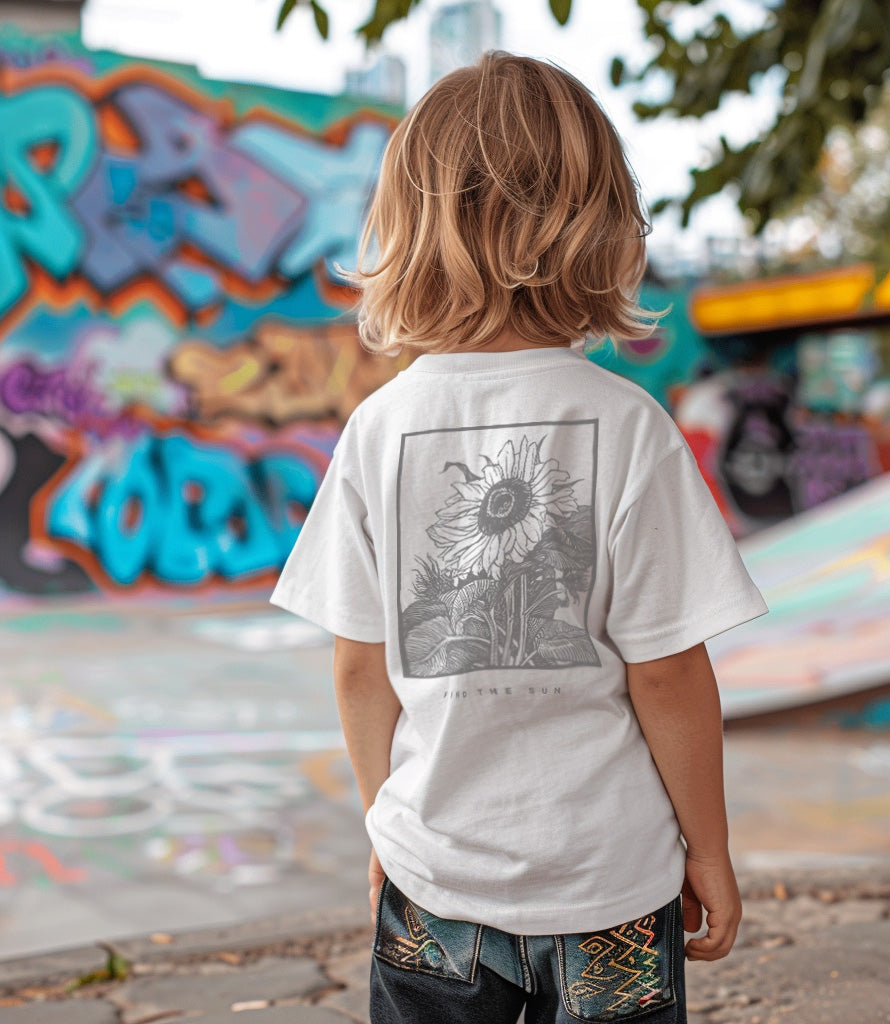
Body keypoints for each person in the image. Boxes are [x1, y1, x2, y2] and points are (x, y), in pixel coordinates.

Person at [270, 51, 768, 1024]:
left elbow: (359, 667)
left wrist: (386, 816)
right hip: (613, 894)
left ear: (410, 227)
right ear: (602, 223)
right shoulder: (629, 427)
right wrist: (705, 847)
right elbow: (667, 674)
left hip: (432, 883)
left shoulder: (377, 428)